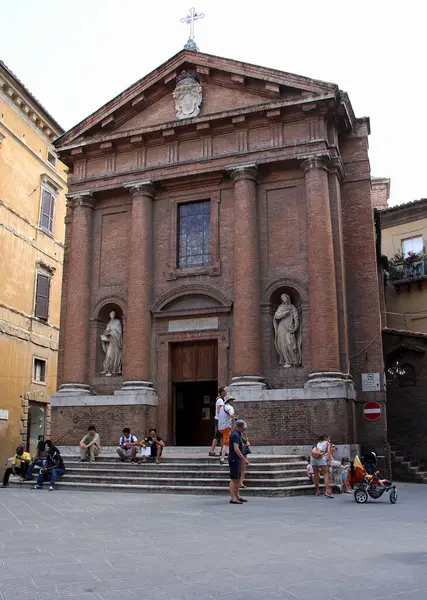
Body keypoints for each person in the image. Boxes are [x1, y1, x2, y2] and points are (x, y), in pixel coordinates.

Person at [228, 419, 249, 504]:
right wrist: (243, 459)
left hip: (237, 459)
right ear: (239, 427)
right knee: (234, 479)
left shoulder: (238, 434)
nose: (244, 429)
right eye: (243, 428)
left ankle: (237, 496)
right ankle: (233, 498)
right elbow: (236, 448)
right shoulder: (235, 435)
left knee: (236, 478)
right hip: (234, 459)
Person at [100, 310, 123, 376]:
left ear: (115, 315)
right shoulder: (109, 323)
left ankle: (114, 370)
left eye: (113, 314)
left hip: (116, 342)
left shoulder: (117, 322)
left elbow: (119, 332)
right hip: (110, 342)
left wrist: (112, 333)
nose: (111, 315)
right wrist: (106, 333)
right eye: (110, 314)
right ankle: (107, 369)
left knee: (115, 356)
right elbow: (106, 331)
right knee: (108, 355)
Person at [311, 434, 333, 498]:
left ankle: (317, 491)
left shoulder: (318, 443)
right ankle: (327, 491)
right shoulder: (327, 443)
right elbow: (328, 452)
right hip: (321, 457)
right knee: (325, 473)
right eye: (329, 438)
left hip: (313, 458)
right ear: (326, 439)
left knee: (315, 474)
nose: (330, 440)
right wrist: (330, 461)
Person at [209, 387, 227, 457]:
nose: (226, 392)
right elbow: (220, 410)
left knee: (222, 436)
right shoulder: (220, 400)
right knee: (217, 436)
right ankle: (211, 451)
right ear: (222, 392)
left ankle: (222, 451)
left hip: (220, 420)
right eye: (225, 391)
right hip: (219, 420)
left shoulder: (222, 400)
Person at [218, 397, 235, 465]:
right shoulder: (230, 407)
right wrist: (231, 421)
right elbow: (231, 414)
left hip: (220, 427)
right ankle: (222, 459)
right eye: (232, 400)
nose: (233, 402)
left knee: (226, 442)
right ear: (229, 401)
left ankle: (227, 453)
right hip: (226, 428)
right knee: (226, 443)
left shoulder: (222, 407)